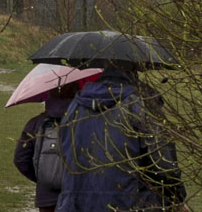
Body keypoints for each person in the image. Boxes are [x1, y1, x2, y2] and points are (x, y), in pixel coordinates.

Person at [55, 66, 189, 212]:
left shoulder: (74, 107)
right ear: (135, 67)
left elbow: (64, 154)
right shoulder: (140, 105)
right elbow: (162, 162)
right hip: (131, 203)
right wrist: (176, 197)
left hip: (77, 204)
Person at [13, 82, 80, 212]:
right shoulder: (85, 121)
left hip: (46, 197)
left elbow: (20, 159)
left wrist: (42, 177)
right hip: (77, 195)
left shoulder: (35, 123)